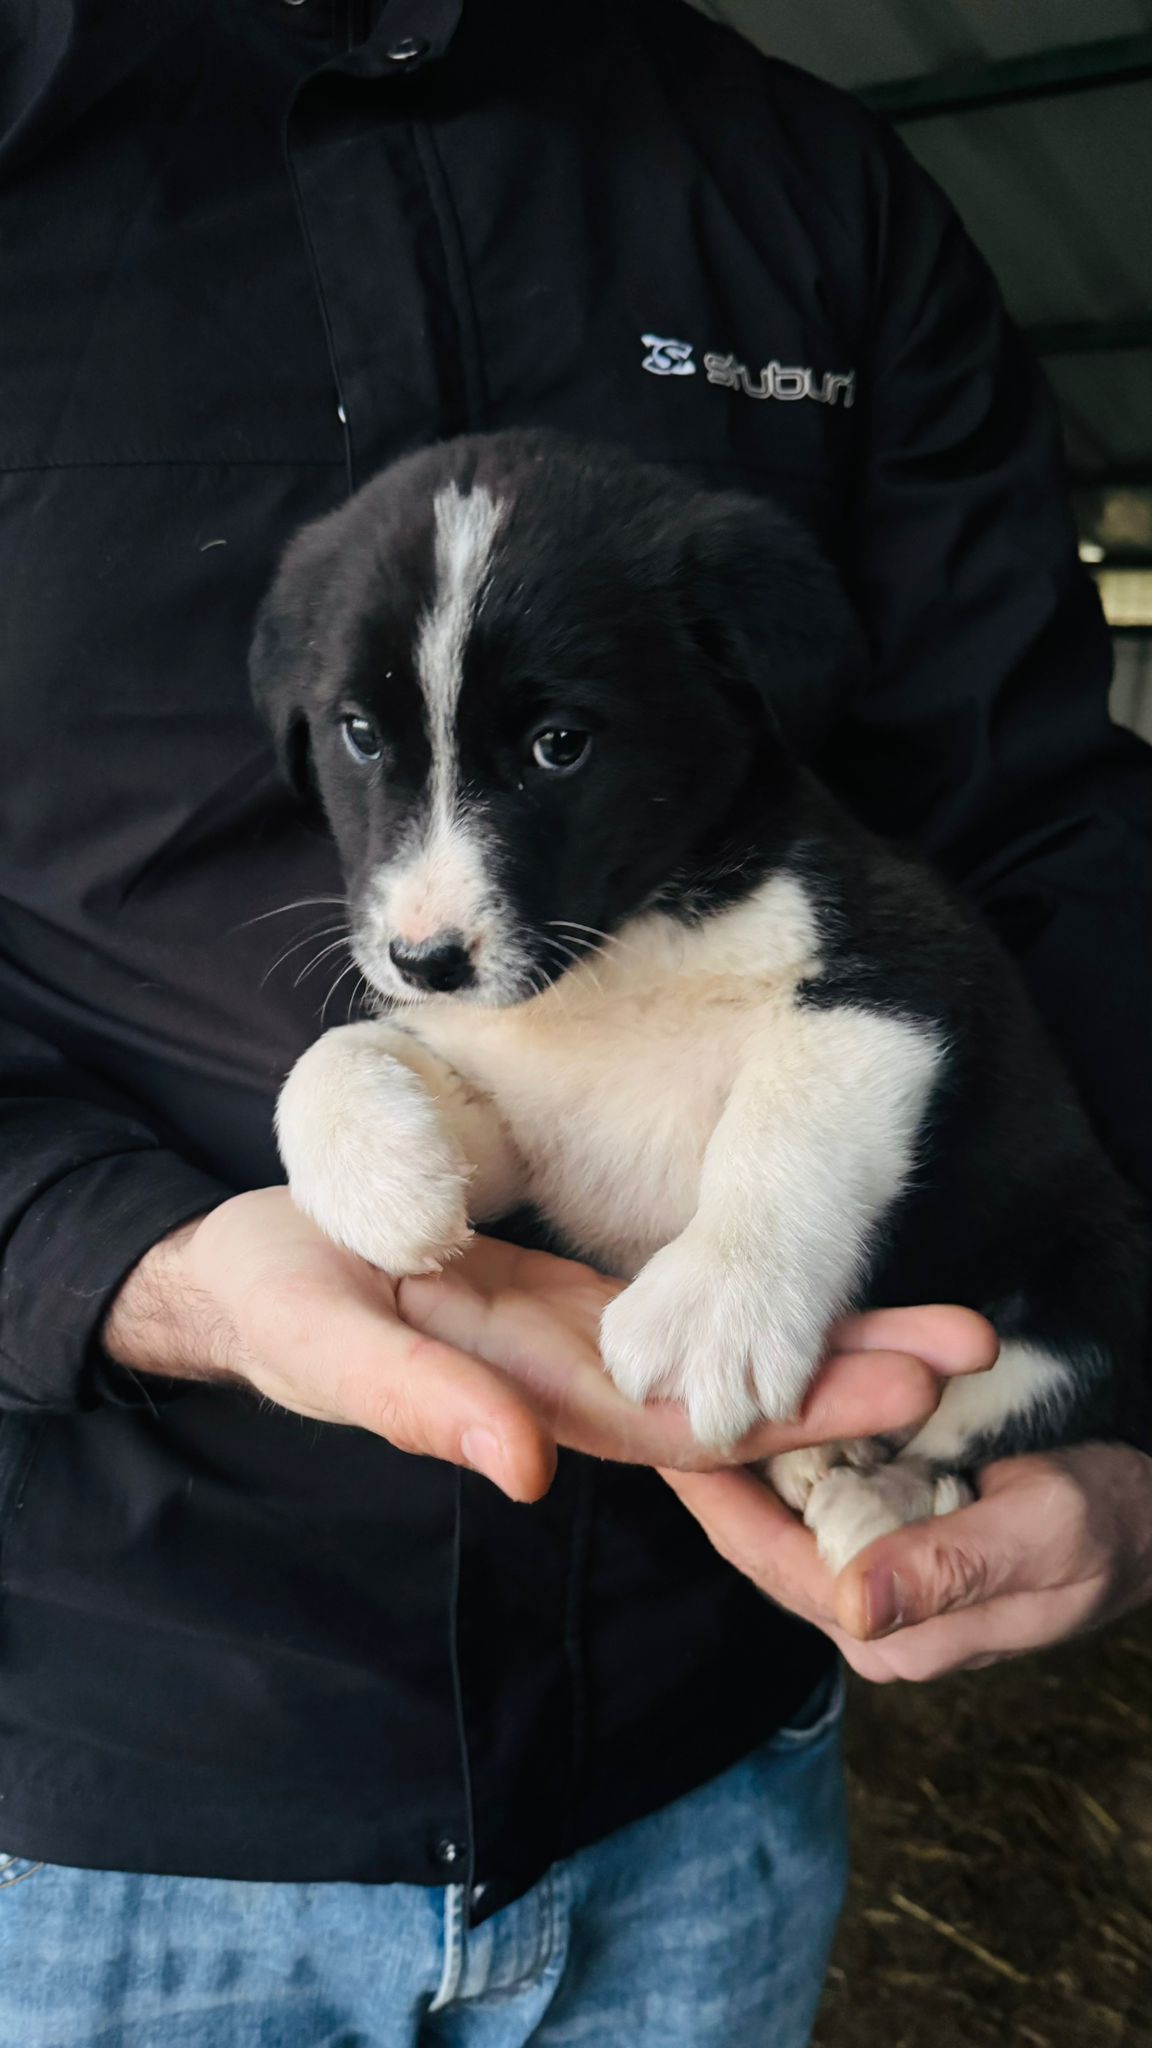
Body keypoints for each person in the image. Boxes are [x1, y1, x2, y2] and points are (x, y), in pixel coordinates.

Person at [0, 2, 1149, 2043]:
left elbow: (1049, 827)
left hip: (715, 1749)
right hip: (111, 1756)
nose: (421, 896)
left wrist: (1131, 1403)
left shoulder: (807, 188)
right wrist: (134, 1263)